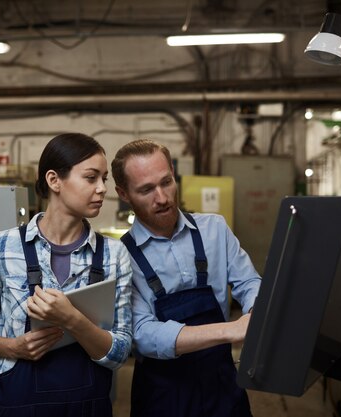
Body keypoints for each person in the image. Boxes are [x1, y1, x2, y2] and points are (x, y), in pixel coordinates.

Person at [0, 133, 132, 417]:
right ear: (54, 181)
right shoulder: (1, 247)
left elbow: (119, 352)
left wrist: (72, 319)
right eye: (91, 178)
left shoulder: (114, 255)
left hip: (86, 406)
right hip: (16, 403)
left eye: (105, 179)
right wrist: (13, 347)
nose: (102, 189)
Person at [111, 139, 262, 417]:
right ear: (124, 194)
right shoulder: (120, 256)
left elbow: (250, 283)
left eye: (166, 182)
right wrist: (230, 330)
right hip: (163, 396)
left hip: (223, 386)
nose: (162, 198)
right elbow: (143, 334)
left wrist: (255, 312)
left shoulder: (215, 229)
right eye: (146, 190)